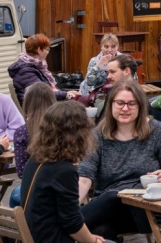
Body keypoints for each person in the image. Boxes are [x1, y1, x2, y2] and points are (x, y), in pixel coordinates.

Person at [80, 81, 161, 240]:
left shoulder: (156, 131)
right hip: (108, 210)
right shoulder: (98, 135)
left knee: (114, 197)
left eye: (131, 104)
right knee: (101, 231)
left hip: (147, 208)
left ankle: (60, 226)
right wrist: (72, 204)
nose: (125, 108)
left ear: (140, 106)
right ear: (111, 105)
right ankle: (67, 222)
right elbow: (85, 177)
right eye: (120, 103)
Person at [19, 101, 103, 243]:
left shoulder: (35, 160)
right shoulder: (64, 170)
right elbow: (72, 223)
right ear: (79, 133)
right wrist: (93, 241)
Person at [12, 83, 57, 204]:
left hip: (34, 186)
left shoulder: (22, 132)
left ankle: (20, 223)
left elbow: (21, 172)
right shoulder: (63, 127)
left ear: (27, 105)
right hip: (64, 183)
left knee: (15, 196)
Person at [10, 34, 78, 103]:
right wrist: (66, 94)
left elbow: (50, 90)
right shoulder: (25, 71)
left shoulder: (35, 66)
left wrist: (66, 92)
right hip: (38, 109)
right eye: (47, 49)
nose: (48, 53)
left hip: (44, 104)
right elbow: (42, 93)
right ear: (39, 50)